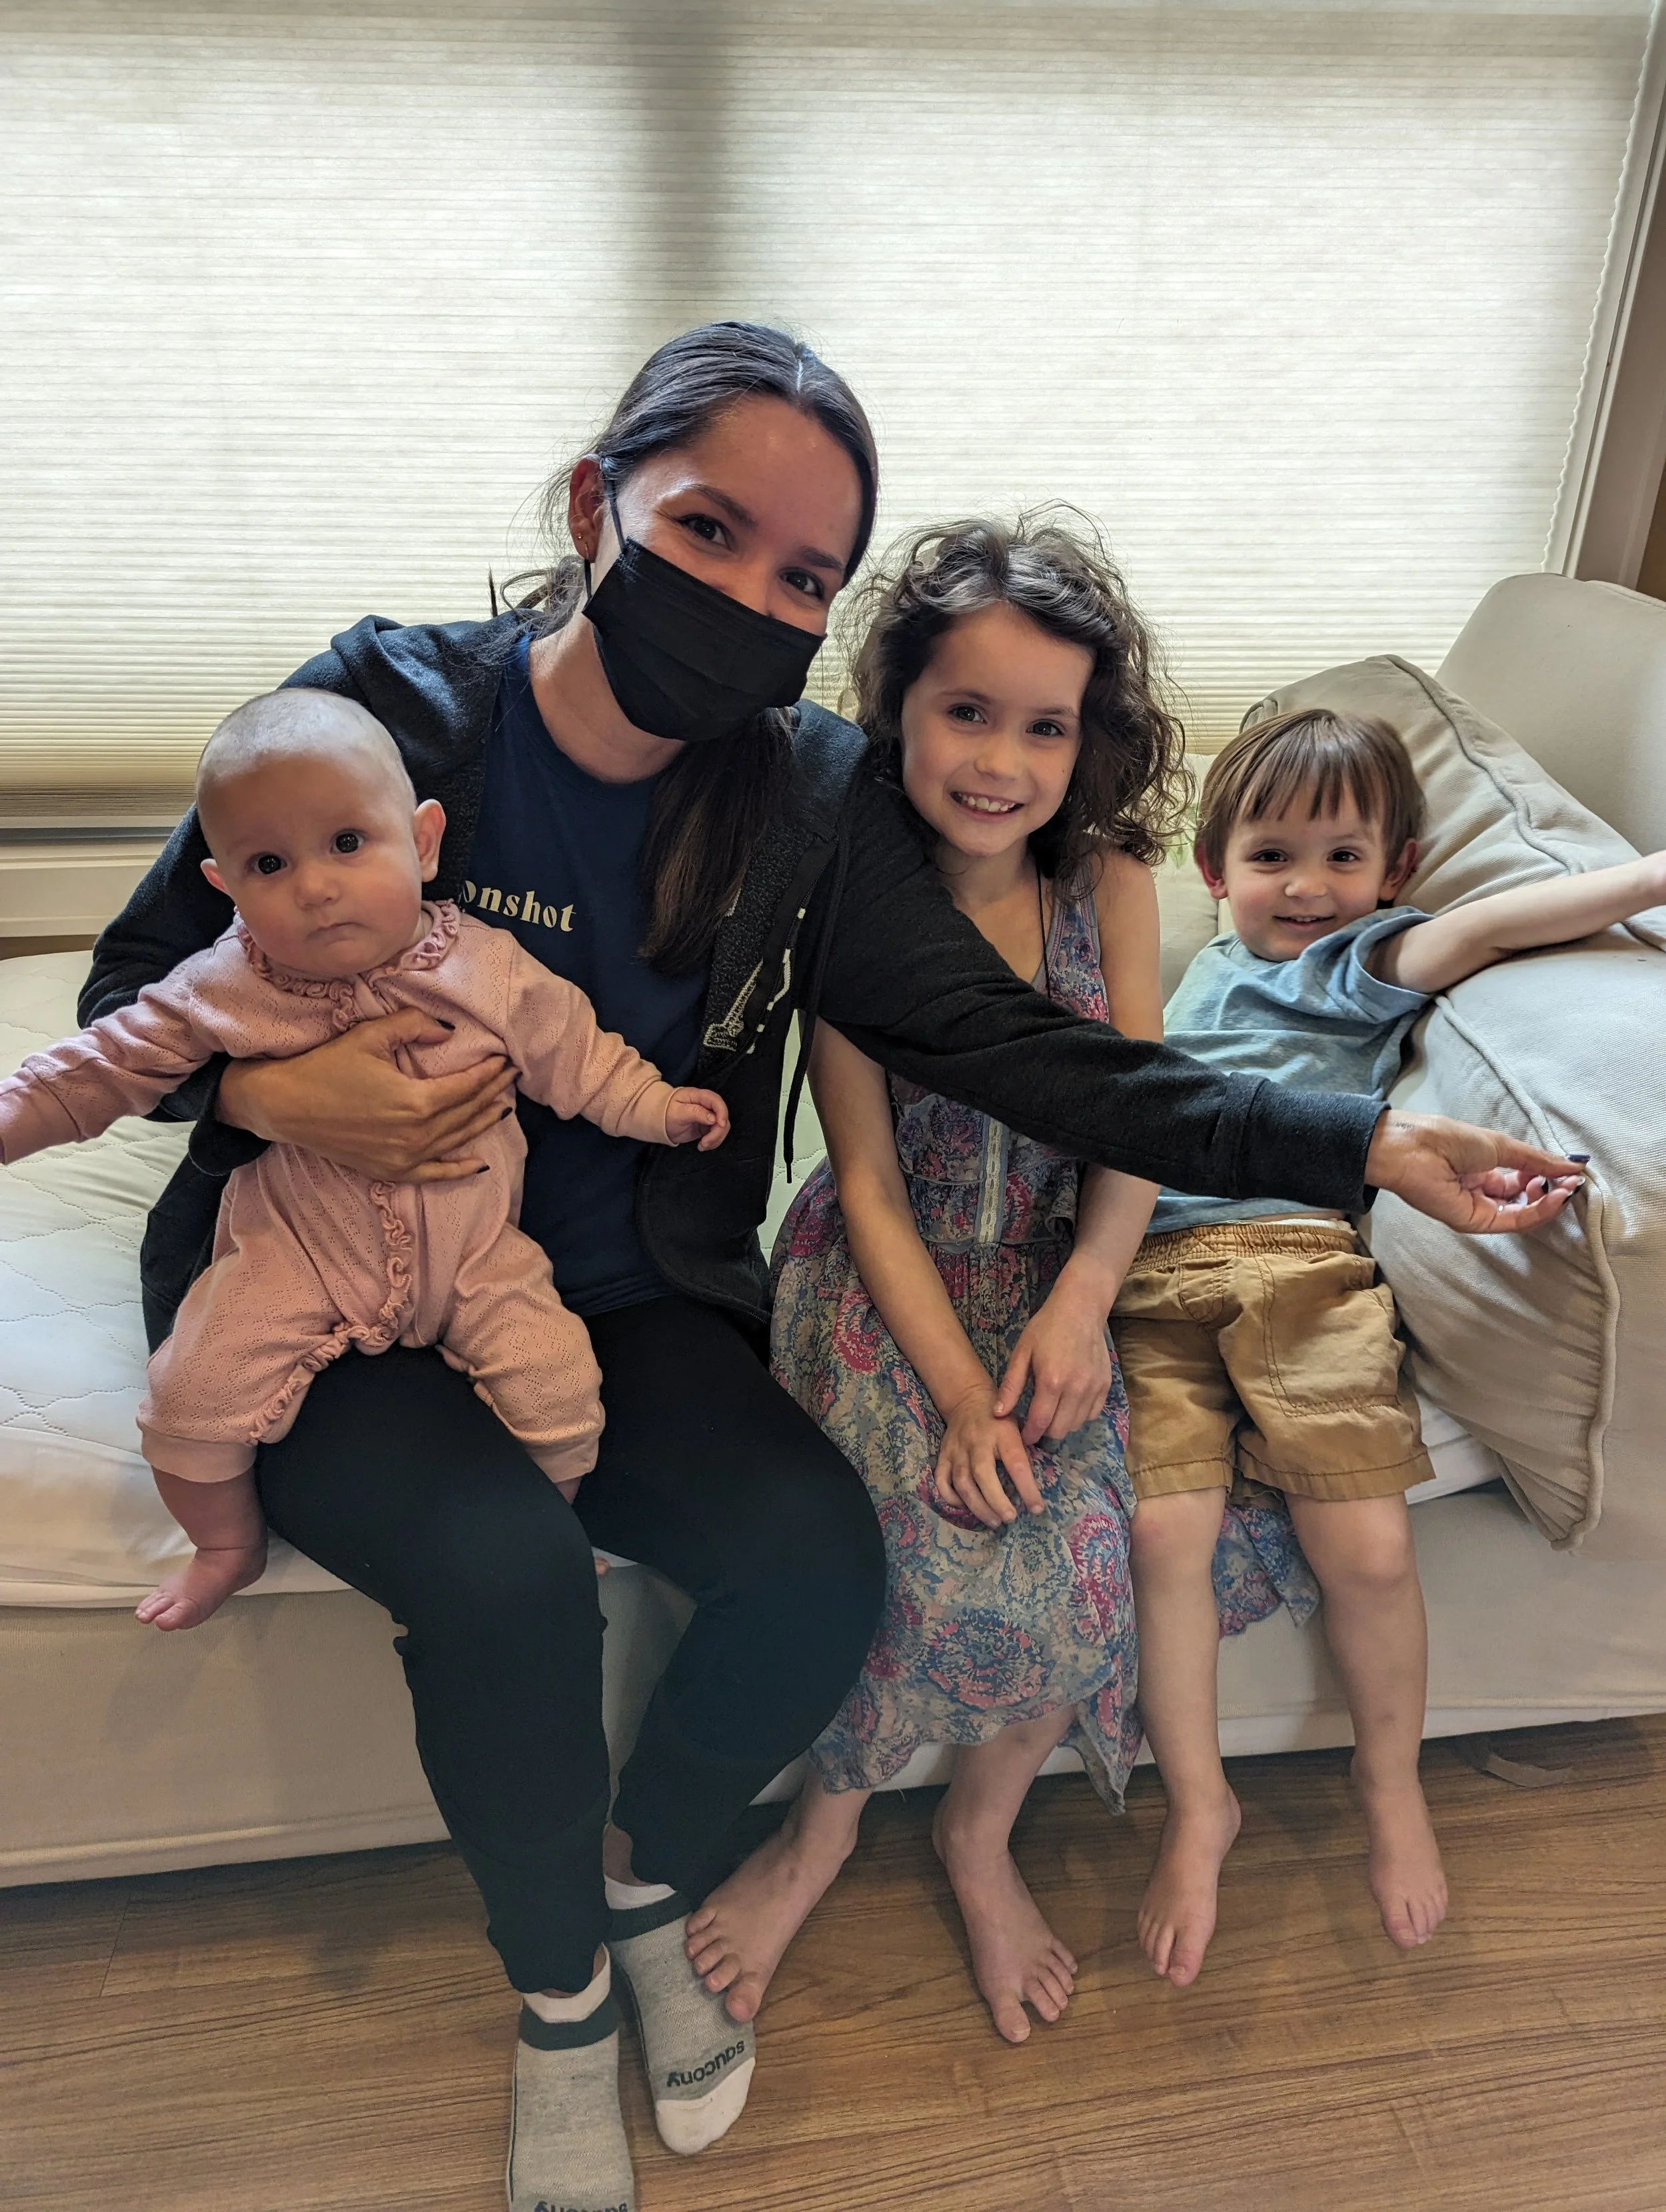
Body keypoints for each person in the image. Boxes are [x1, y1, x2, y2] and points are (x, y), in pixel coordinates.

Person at [83, 324, 1580, 2212]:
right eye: (704, 530)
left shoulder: (806, 792)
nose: (746, 600)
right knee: (505, 1578)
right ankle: (558, 2000)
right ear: (594, 503)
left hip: (617, 1288)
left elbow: (1025, 1049)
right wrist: (281, 1083)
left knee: (811, 1563)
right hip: (324, 1283)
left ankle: (641, 1886)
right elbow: (126, 997)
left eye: (801, 576)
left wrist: (1353, 1140)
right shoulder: (393, 709)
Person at [686, 516, 1315, 2047]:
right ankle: (820, 1832)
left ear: (1087, 741)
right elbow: (869, 1185)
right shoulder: (850, 892)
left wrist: (1085, 1298)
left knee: (1093, 1547)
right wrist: (963, 1399)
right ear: (895, 704)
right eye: (964, 711)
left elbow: (1132, 1121)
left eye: (1043, 726)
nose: (998, 761)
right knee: (900, 1543)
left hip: (1058, 1266)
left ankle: (980, 1835)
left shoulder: (1106, 882)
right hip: (884, 1282)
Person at [1114, 706, 1655, 1993]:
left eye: (1343, 858)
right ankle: (1201, 1805)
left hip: (1303, 1265)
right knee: (1162, 1534)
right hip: (1147, 1268)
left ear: (1393, 872)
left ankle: (1388, 1781)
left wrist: (1649, 878)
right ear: (1214, 870)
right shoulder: (1182, 968)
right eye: (1272, 857)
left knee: (1363, 1545)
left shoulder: (1354, 960)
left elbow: (1493, 928)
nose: (1307, 887)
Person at [0, 692, 726, 1634]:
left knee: (560, 1388)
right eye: (270, 865)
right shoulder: (224, 986)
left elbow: (578, 1055)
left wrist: (656, 1107)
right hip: (296, 1257)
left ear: (423, 843)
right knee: (189, 1397)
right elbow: (100, 1065)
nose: (315, 886)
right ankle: (226, 1547)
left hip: (475, 1253)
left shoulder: (489, 968)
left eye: (348, 843)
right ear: (224, 886)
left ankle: (556, 1524)